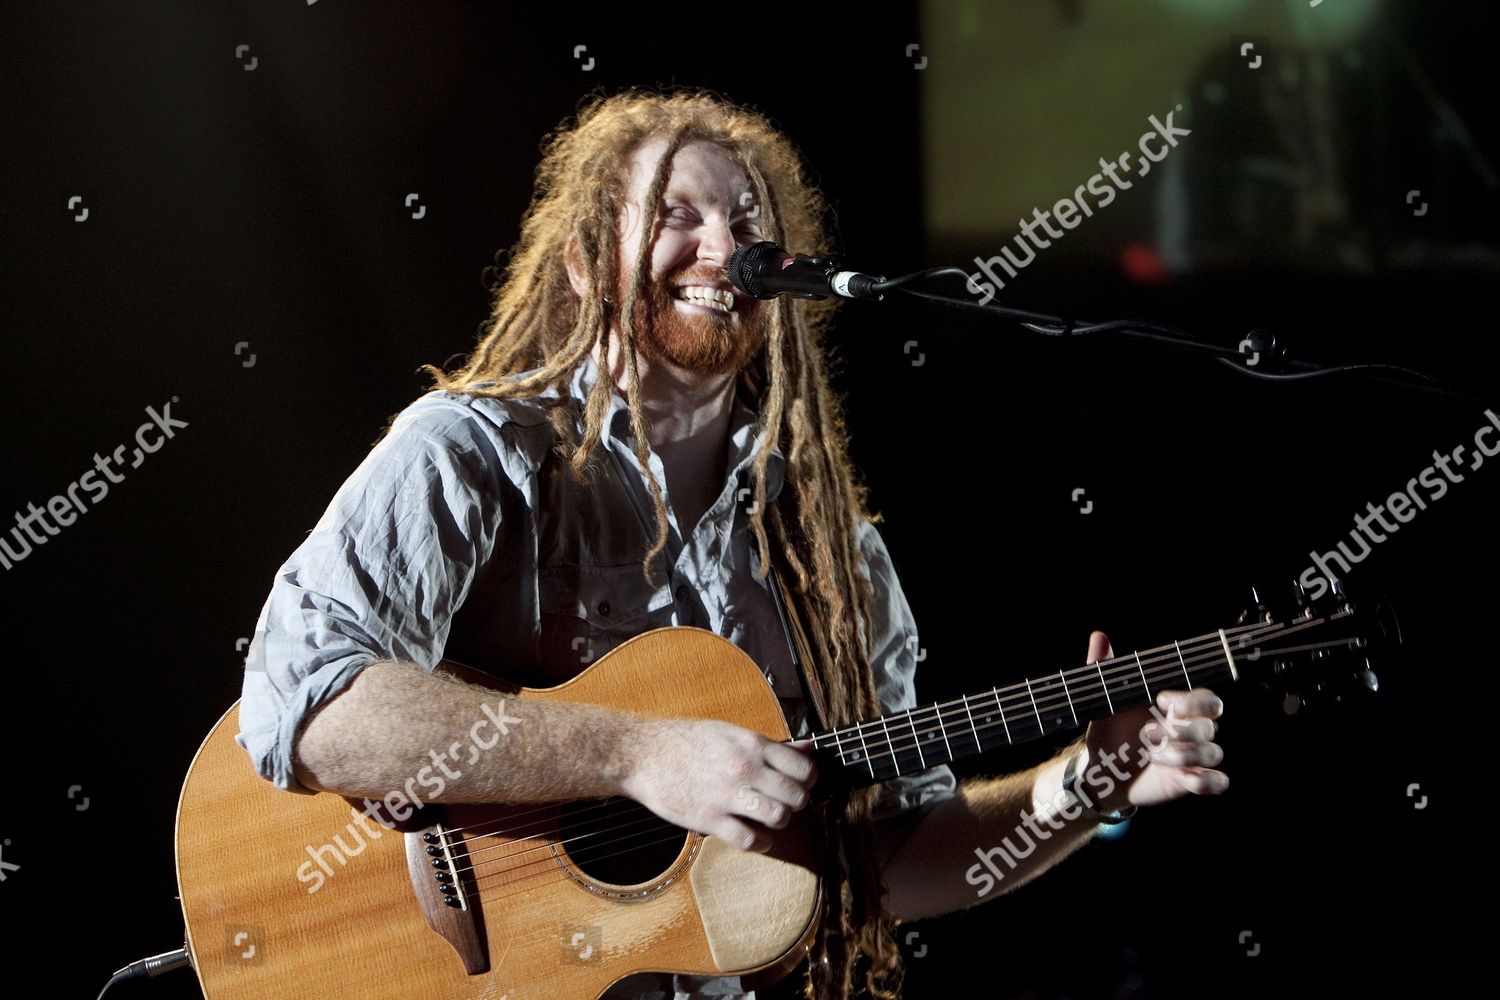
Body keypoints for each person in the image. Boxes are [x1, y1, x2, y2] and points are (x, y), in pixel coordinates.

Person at [237, 87, 1227, 1000]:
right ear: (586, 261)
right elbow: (305, 700)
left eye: (748, 222)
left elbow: (886, 868)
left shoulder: (833, 566)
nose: (726, 245)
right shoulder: (472, 454)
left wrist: (1083, 783)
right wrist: (633, 751)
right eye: (678, 213)